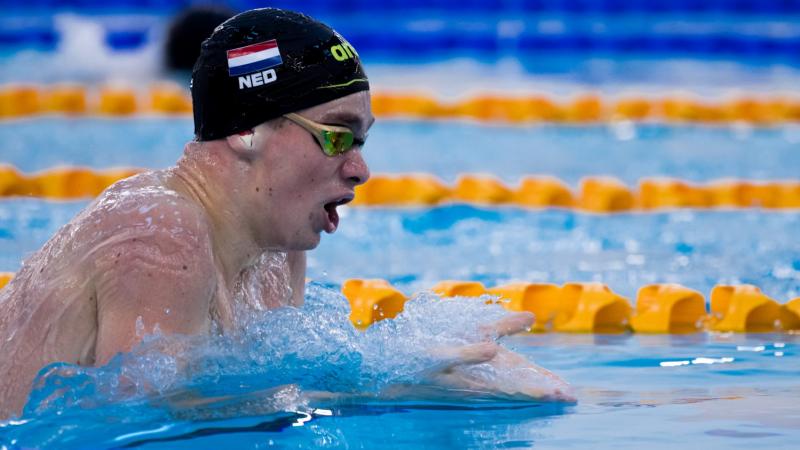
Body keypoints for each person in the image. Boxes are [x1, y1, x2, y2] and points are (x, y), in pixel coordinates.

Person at [0, 8, 573, 419]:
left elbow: (261, 404)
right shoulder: (158, 234)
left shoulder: (276, 253)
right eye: (336, 138)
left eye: (361, 142)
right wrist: (387, 383)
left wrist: (437, 374)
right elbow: (137, 416)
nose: (359, 170)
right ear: (246, 129)